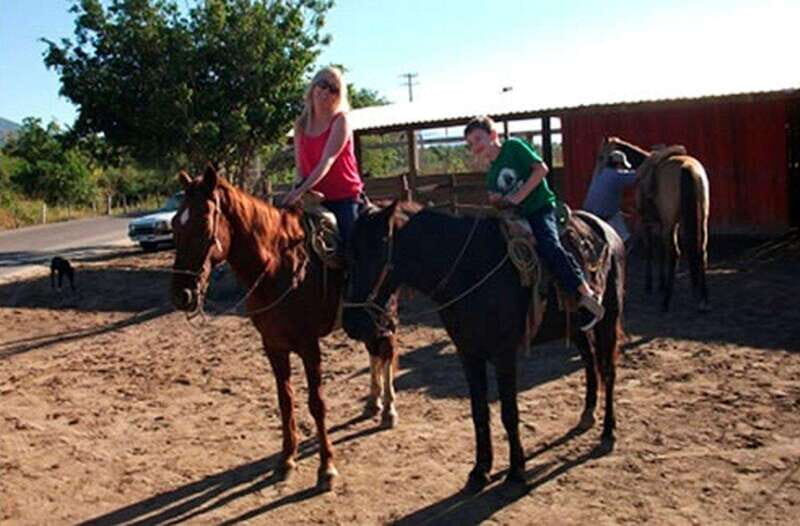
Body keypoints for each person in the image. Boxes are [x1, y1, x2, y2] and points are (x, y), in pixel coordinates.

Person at [463, 115, 604, 331]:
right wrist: (498, 202)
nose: (475, 146)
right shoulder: (491, 174)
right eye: (471, 144)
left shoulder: (514, 147)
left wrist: (517, 197)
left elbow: (541, 170)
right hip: (517, 216)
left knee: (549, 245)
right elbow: (497, 197)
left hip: (540, 208)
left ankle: (585, 294)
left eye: (478, 139)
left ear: (493, 135)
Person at [281, 66, 363, 245]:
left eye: (334, 89)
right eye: (323, 84)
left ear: (339, 96)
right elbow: (300, 166)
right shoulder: (300, 125)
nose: (326, 91)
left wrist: (298, 191)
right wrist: (300, 190)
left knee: (352, 247)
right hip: (313, 197)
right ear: (313, 87)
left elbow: (328, 160)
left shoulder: (341, 120)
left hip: (343, 197)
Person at [582, 149, 638, 242]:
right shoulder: (617, 176)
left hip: (589, 213)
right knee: (627, 240)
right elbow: (638, 176)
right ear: (619, 164)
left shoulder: (600, 173)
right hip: (605, 217)